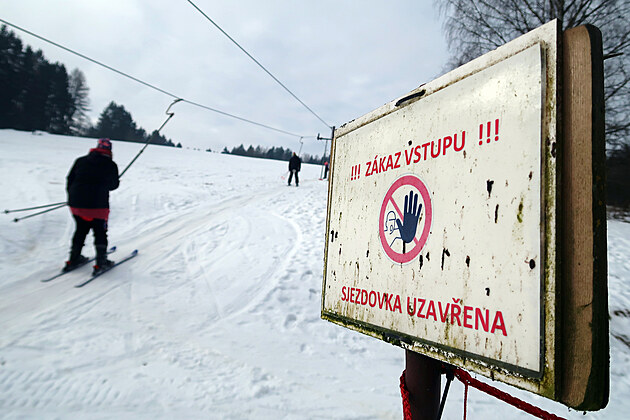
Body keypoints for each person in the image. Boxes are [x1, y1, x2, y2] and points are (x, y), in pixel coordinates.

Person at [64, 138, 119, 274]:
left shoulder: (80, 161)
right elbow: (113, 185)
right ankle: (101, 263)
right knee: (100, 232)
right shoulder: (111, 165)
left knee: (80, 230)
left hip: (76, 205)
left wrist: (72, 197)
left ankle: (73, 259)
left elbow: (70, 180)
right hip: (98, 206)